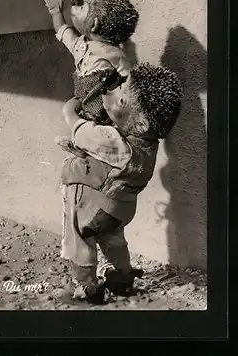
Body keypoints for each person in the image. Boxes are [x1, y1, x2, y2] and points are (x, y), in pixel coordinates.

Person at [59, 63, 182, 304]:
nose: (111, 94)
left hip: (94, 205)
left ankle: (87, 286)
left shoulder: (116, 144)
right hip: (121, 210)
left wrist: (70, 113)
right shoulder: (148, 145)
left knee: (81, 238)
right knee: (114, 241)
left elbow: (84, 133)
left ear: (143, 124)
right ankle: (122, 277)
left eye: (121, 99)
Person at [49, 0, 139, 157]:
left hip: (103, 101)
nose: (75, 7)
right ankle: (81, 146)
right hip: (83, 97)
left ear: (94, 24)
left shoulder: (115, 54)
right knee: (74, 113)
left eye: (82, 7)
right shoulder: (80, 45)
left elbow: (129, 78)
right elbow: (62, 31)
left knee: (98, 127)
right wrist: (55, 12)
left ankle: (89, 148)